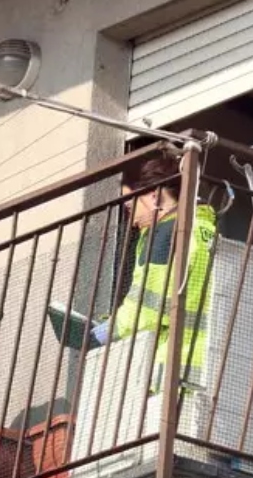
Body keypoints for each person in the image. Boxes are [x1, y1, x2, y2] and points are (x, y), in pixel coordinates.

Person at [90, 151, 217, 385]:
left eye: (130, 206)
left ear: (155, 196)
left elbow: (149, 307)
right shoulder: (207, 230)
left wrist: (106, 332)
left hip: (173, 368)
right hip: (211, 365)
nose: (129, 215)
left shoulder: (165, 233)